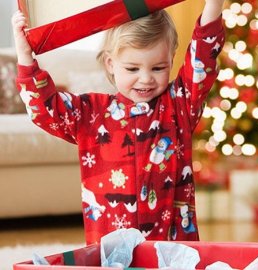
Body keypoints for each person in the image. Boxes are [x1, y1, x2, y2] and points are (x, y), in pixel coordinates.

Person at [12, 0, 225, 245]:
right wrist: (24, 55)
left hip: (174, 246)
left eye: (158, 68)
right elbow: (45, 108)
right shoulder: (92, 113)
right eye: (132, 69)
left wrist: (213, 4)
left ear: (171, 59)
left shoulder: (180, 104)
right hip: (112, 249)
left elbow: (203, 59)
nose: (146, 79)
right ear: (110, 64)